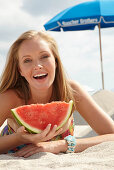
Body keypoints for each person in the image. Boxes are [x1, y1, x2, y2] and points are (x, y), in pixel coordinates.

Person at [0, 30, 114, 158]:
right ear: (19, 69)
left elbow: (112, 135)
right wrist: (19, 139)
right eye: (27, 60)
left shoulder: (72, 91)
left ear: (55, 61)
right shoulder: (10, 98)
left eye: (44, 56)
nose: (37, 65)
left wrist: (62, 145)